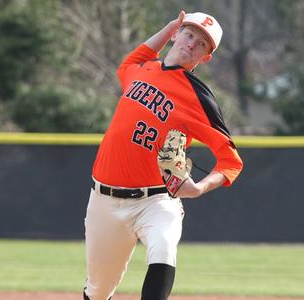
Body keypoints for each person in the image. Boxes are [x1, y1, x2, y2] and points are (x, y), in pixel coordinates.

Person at [83, 10, 243, 300]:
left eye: (202, 44)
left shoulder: (199, 97)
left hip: (157, 199)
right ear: (176, 35)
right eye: (189, 33)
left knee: (163, 249)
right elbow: (129, 61)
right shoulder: (141, 69)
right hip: (104, 200)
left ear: (205, 58)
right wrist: (169, 26)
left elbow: (231, 161)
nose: (192, 43)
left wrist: (200, 187)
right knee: (97, 291)